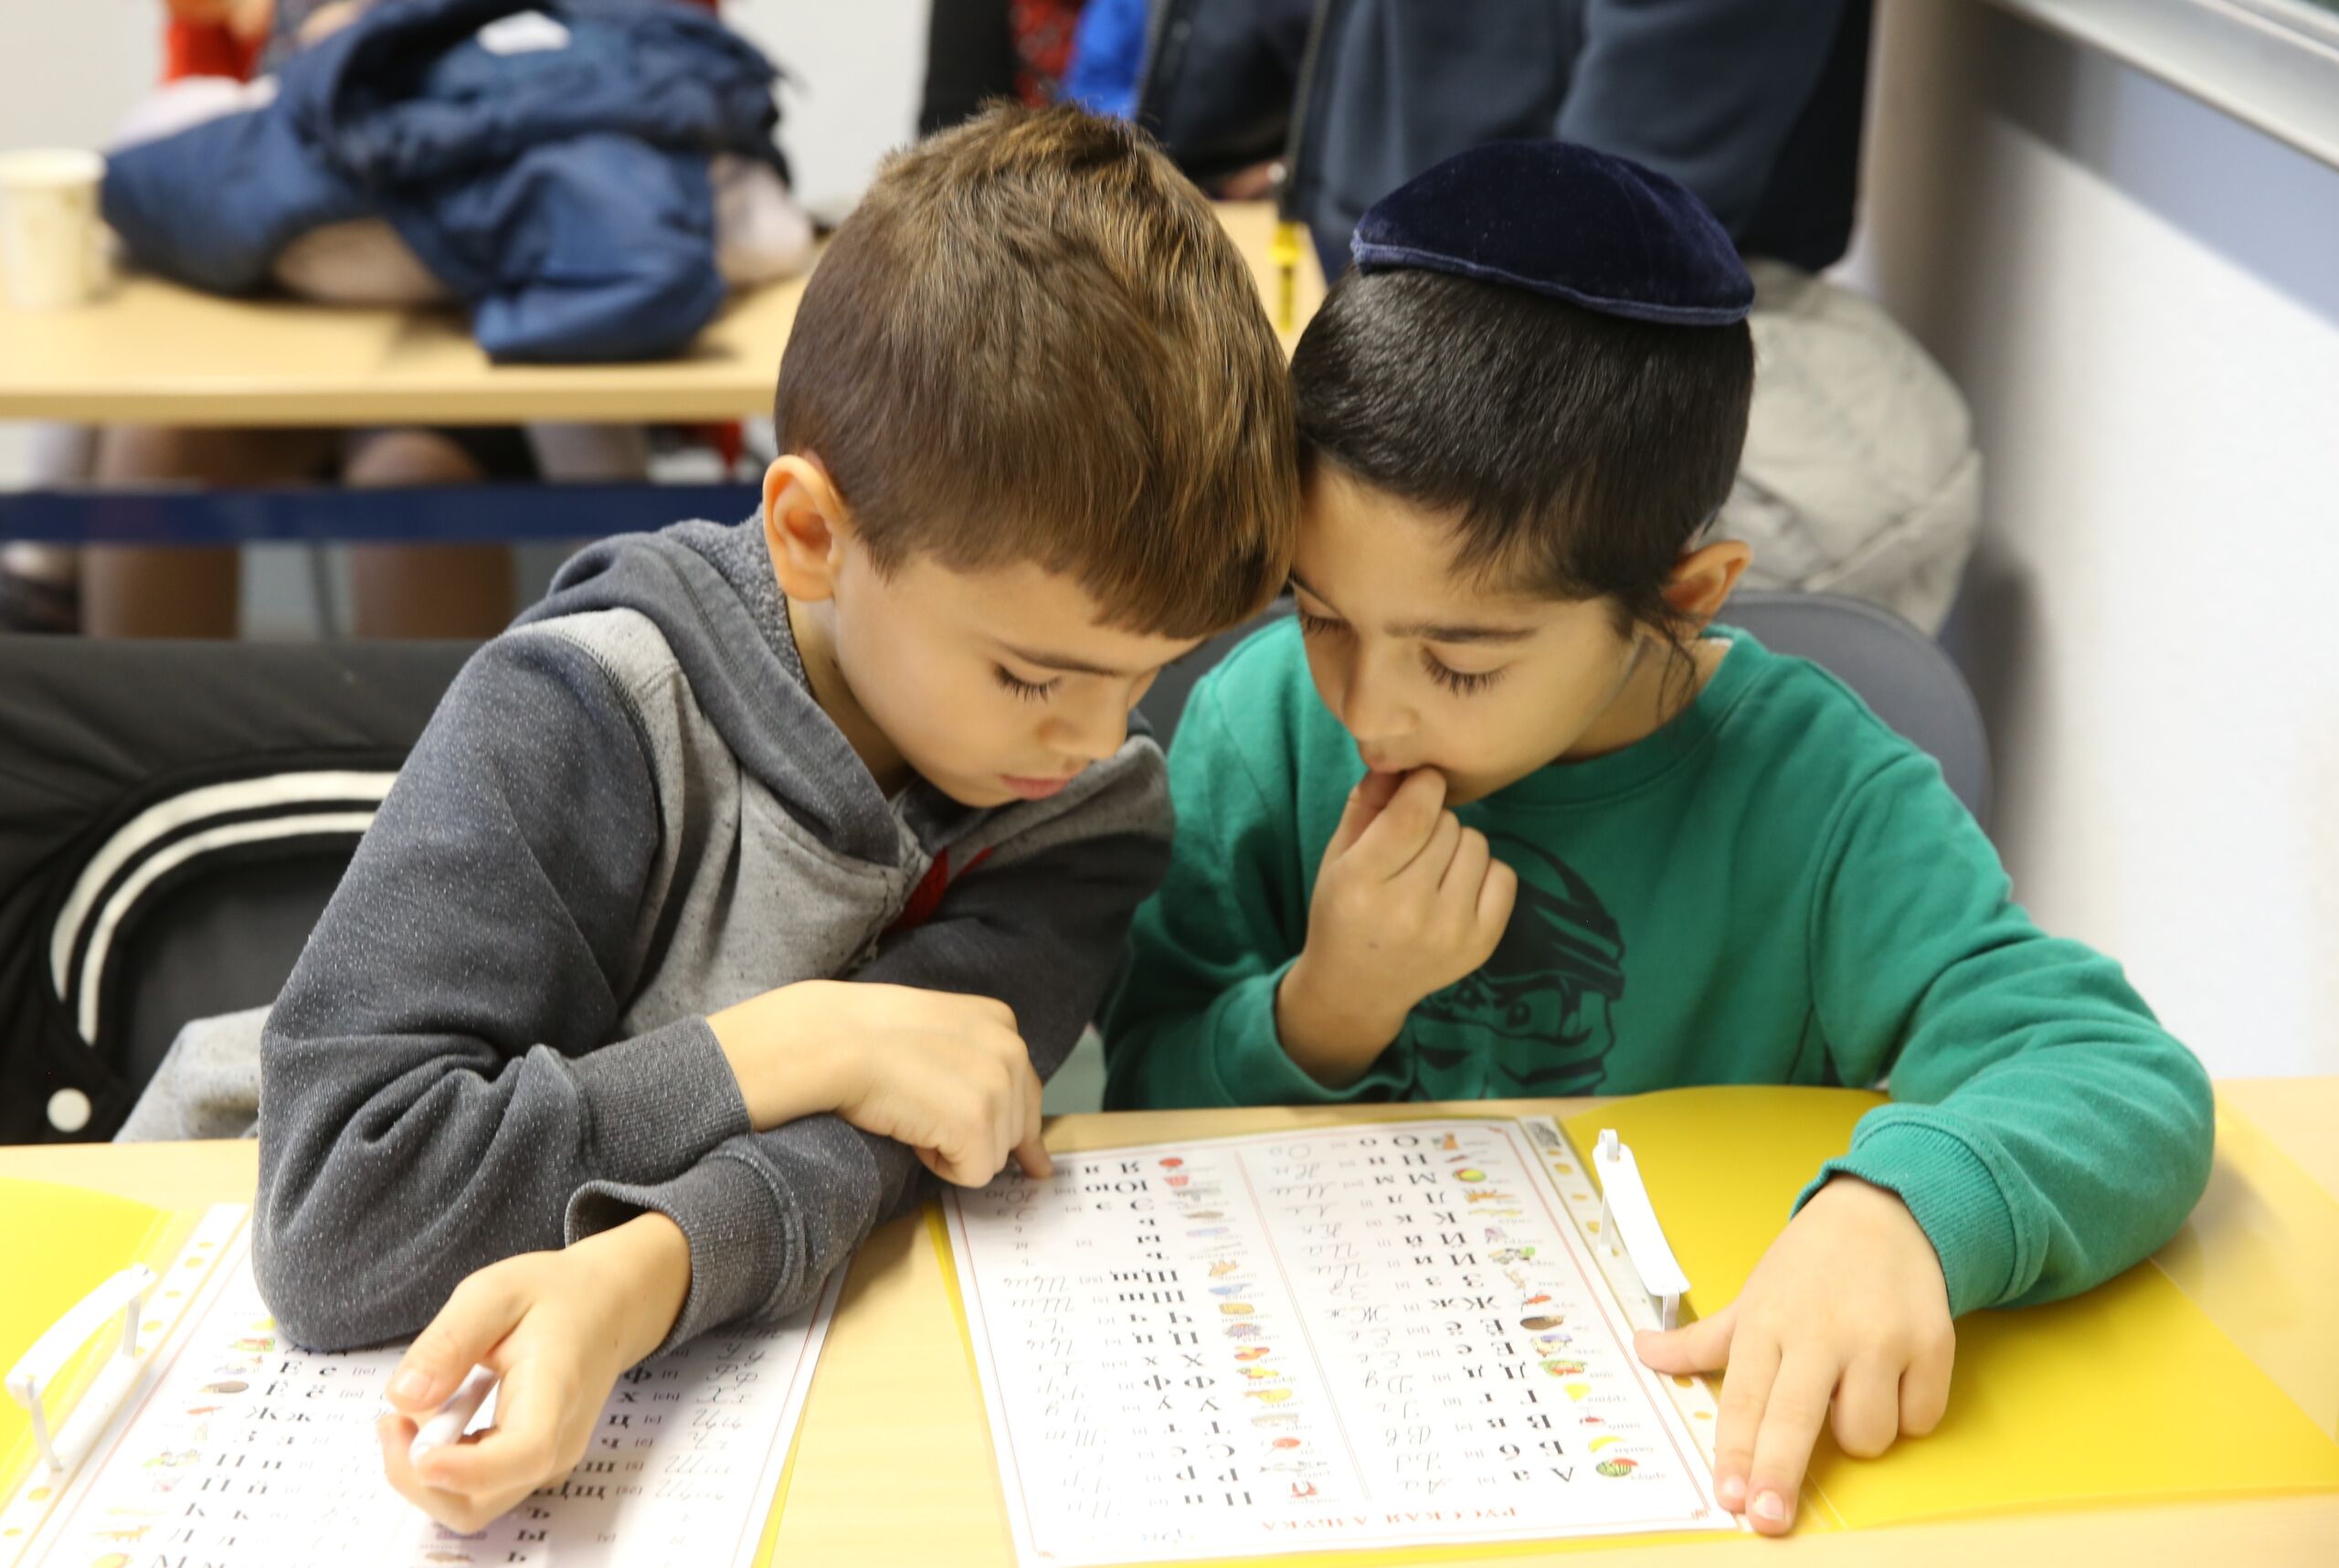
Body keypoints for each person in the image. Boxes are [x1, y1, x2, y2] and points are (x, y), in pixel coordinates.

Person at [205, 104, 1296, 1531]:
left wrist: (637, 1272)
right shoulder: (586, 708)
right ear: (810, 535)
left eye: (1145, 677)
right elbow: (340, 1228)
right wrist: (808, 1042)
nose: (1098, 739)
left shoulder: (1075, 810)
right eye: (1033, 673)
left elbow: (900, 1141)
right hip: (236, 1308)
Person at [1100, 142, 2212, 1536]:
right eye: (1321, 611)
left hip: (1686, 1462)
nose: (1370, 707)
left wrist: (1903, 1211)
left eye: (1461, 661)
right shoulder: (1264, 722)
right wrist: (1323, 1012)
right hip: (1319, 1439)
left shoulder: (1818, 793)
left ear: (1682, 597)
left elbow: (2115, 1072)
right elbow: (1130, 1088)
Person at [1137, 0, 1980, 630]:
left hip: (1545, 315)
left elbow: (1619, 206)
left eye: (1457, 668)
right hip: (1363, 270)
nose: (1373, 716)